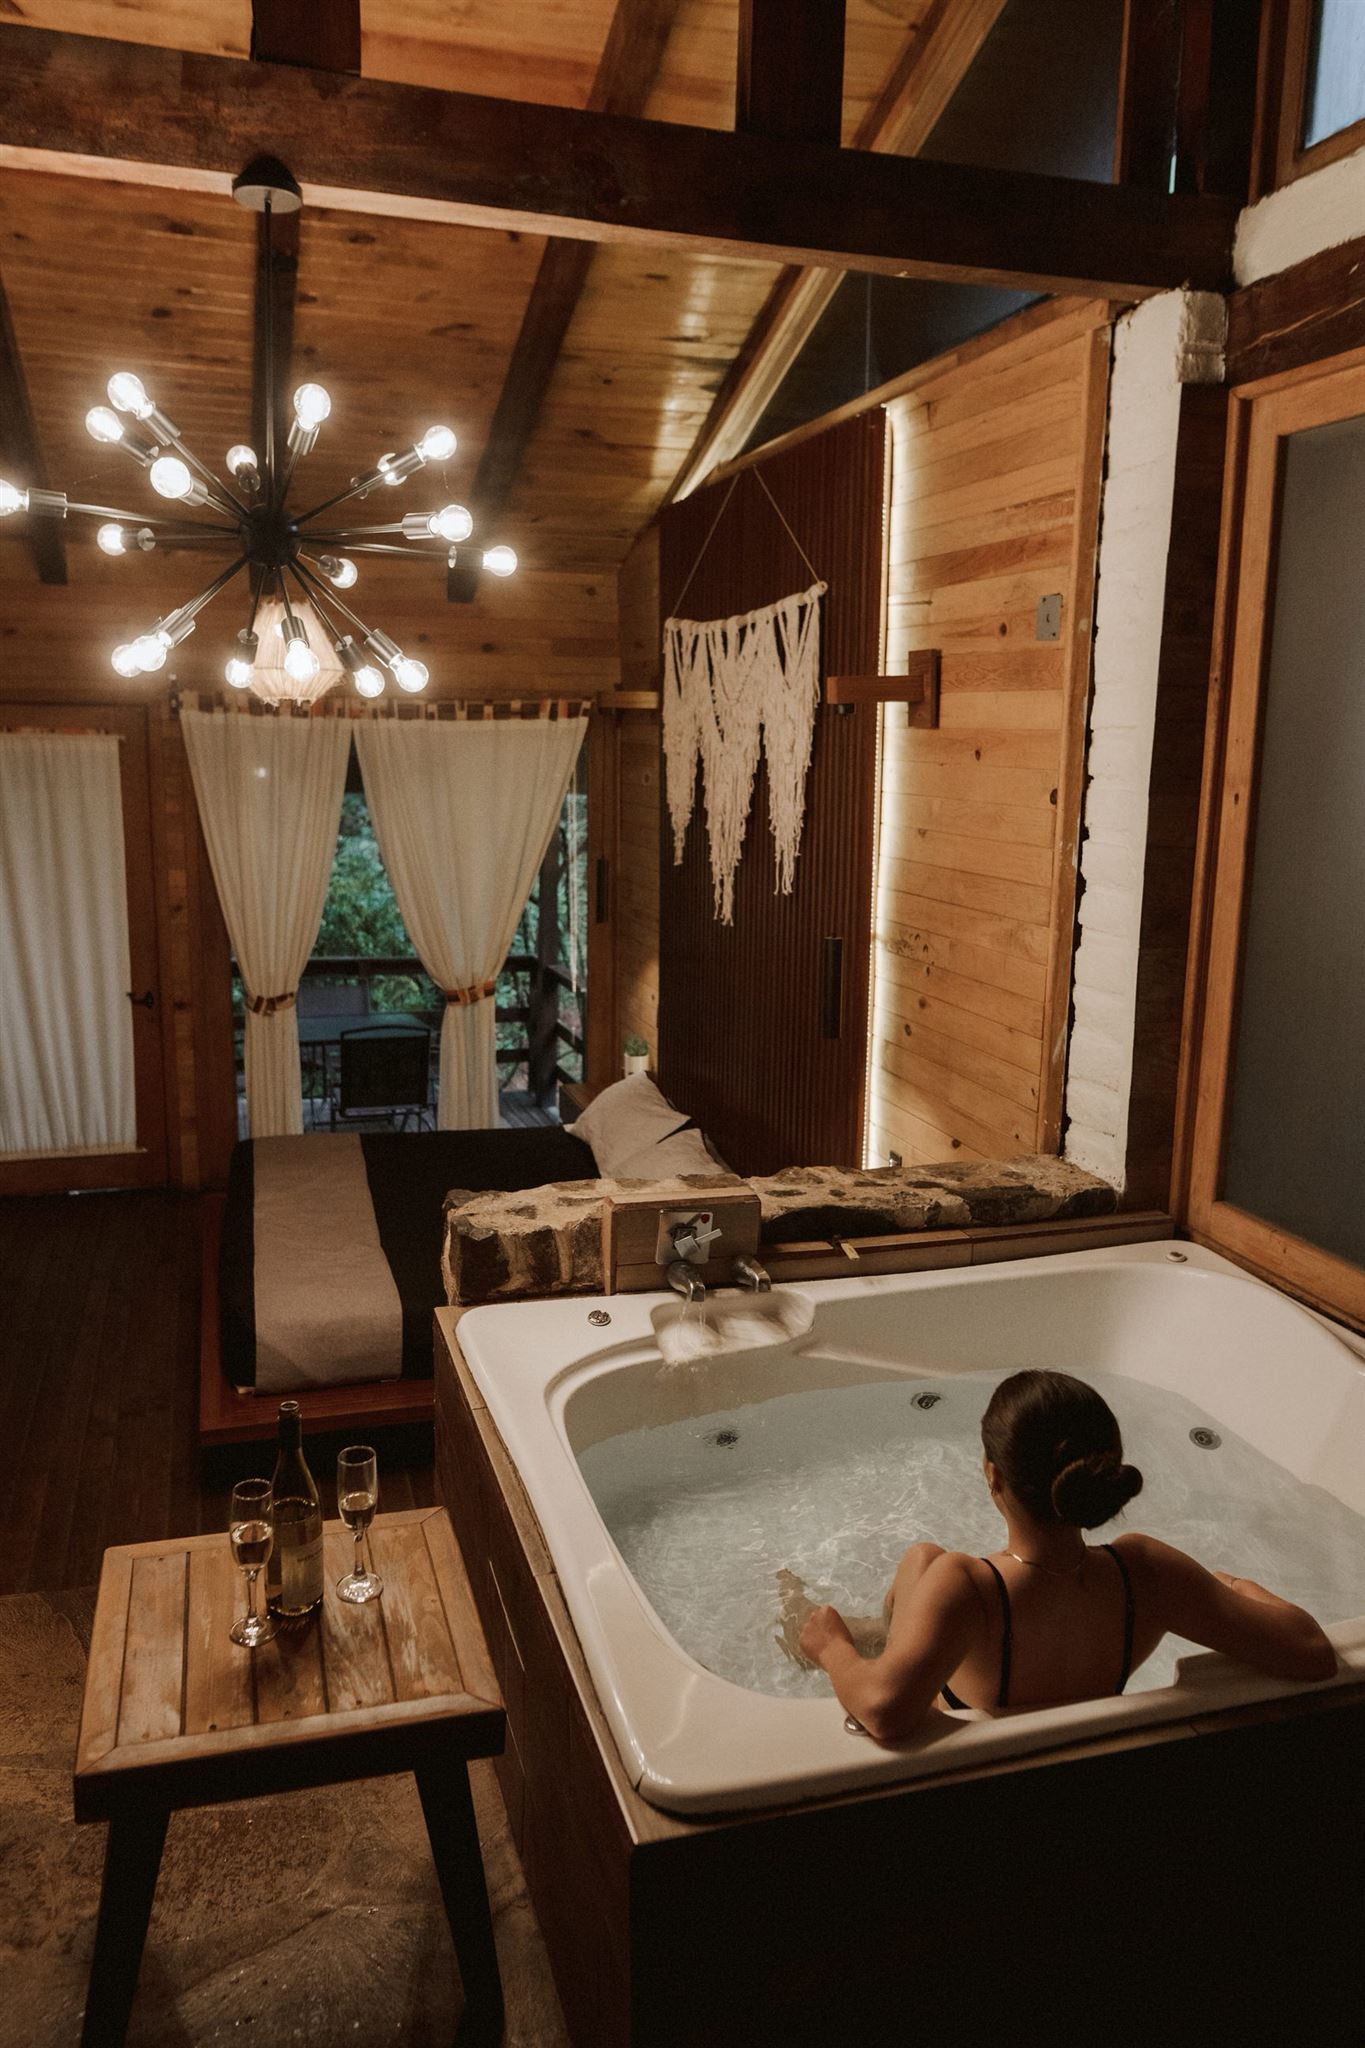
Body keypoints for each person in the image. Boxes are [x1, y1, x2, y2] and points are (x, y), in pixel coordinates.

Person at [784, 1367, 1337, 1743]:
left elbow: (884, 1711)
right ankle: (879, 1634)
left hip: (972, 1780)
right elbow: (1312, 1652)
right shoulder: (1147, 1572)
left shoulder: (968, 1587)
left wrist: (831, 1648)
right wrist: (1240, 1589)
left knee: (921, 1560)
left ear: (992, 1475)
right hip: (1086, 1771)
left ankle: (857, 1636)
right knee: (925, 1567)